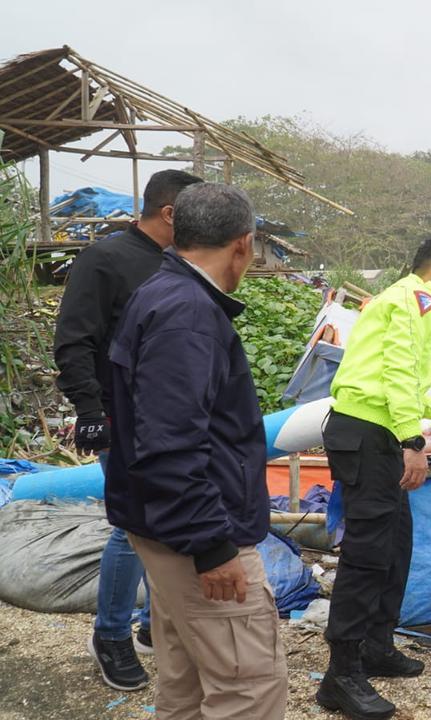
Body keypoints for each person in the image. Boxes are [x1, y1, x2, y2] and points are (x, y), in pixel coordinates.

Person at [105, 182, 287, 719]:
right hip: (194, 538)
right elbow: (170, 443)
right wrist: (212, 546)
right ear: (243, 244)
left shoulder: (160, 291)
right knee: (247, 688)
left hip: (162, 528)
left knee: (185, 683)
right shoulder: (188, 314)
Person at [53, 169, 203, 691]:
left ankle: (150, 625)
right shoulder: (106, 259)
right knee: (134, 524)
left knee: (169, 517)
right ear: (170, 213)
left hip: (172, 417)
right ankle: (110, 634)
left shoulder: (179, 263)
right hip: (120, 416)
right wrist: (91, 411)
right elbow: (73, 340)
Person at [317, 237, 431, 720]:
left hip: (375, 428)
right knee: (366, 555)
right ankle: (341, 673)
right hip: (368, 434)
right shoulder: (416, 299)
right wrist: (413, 441)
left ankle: (376, 645)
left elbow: (393, 378)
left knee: (396, 543)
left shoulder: (404, 300)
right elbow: (399, 372)